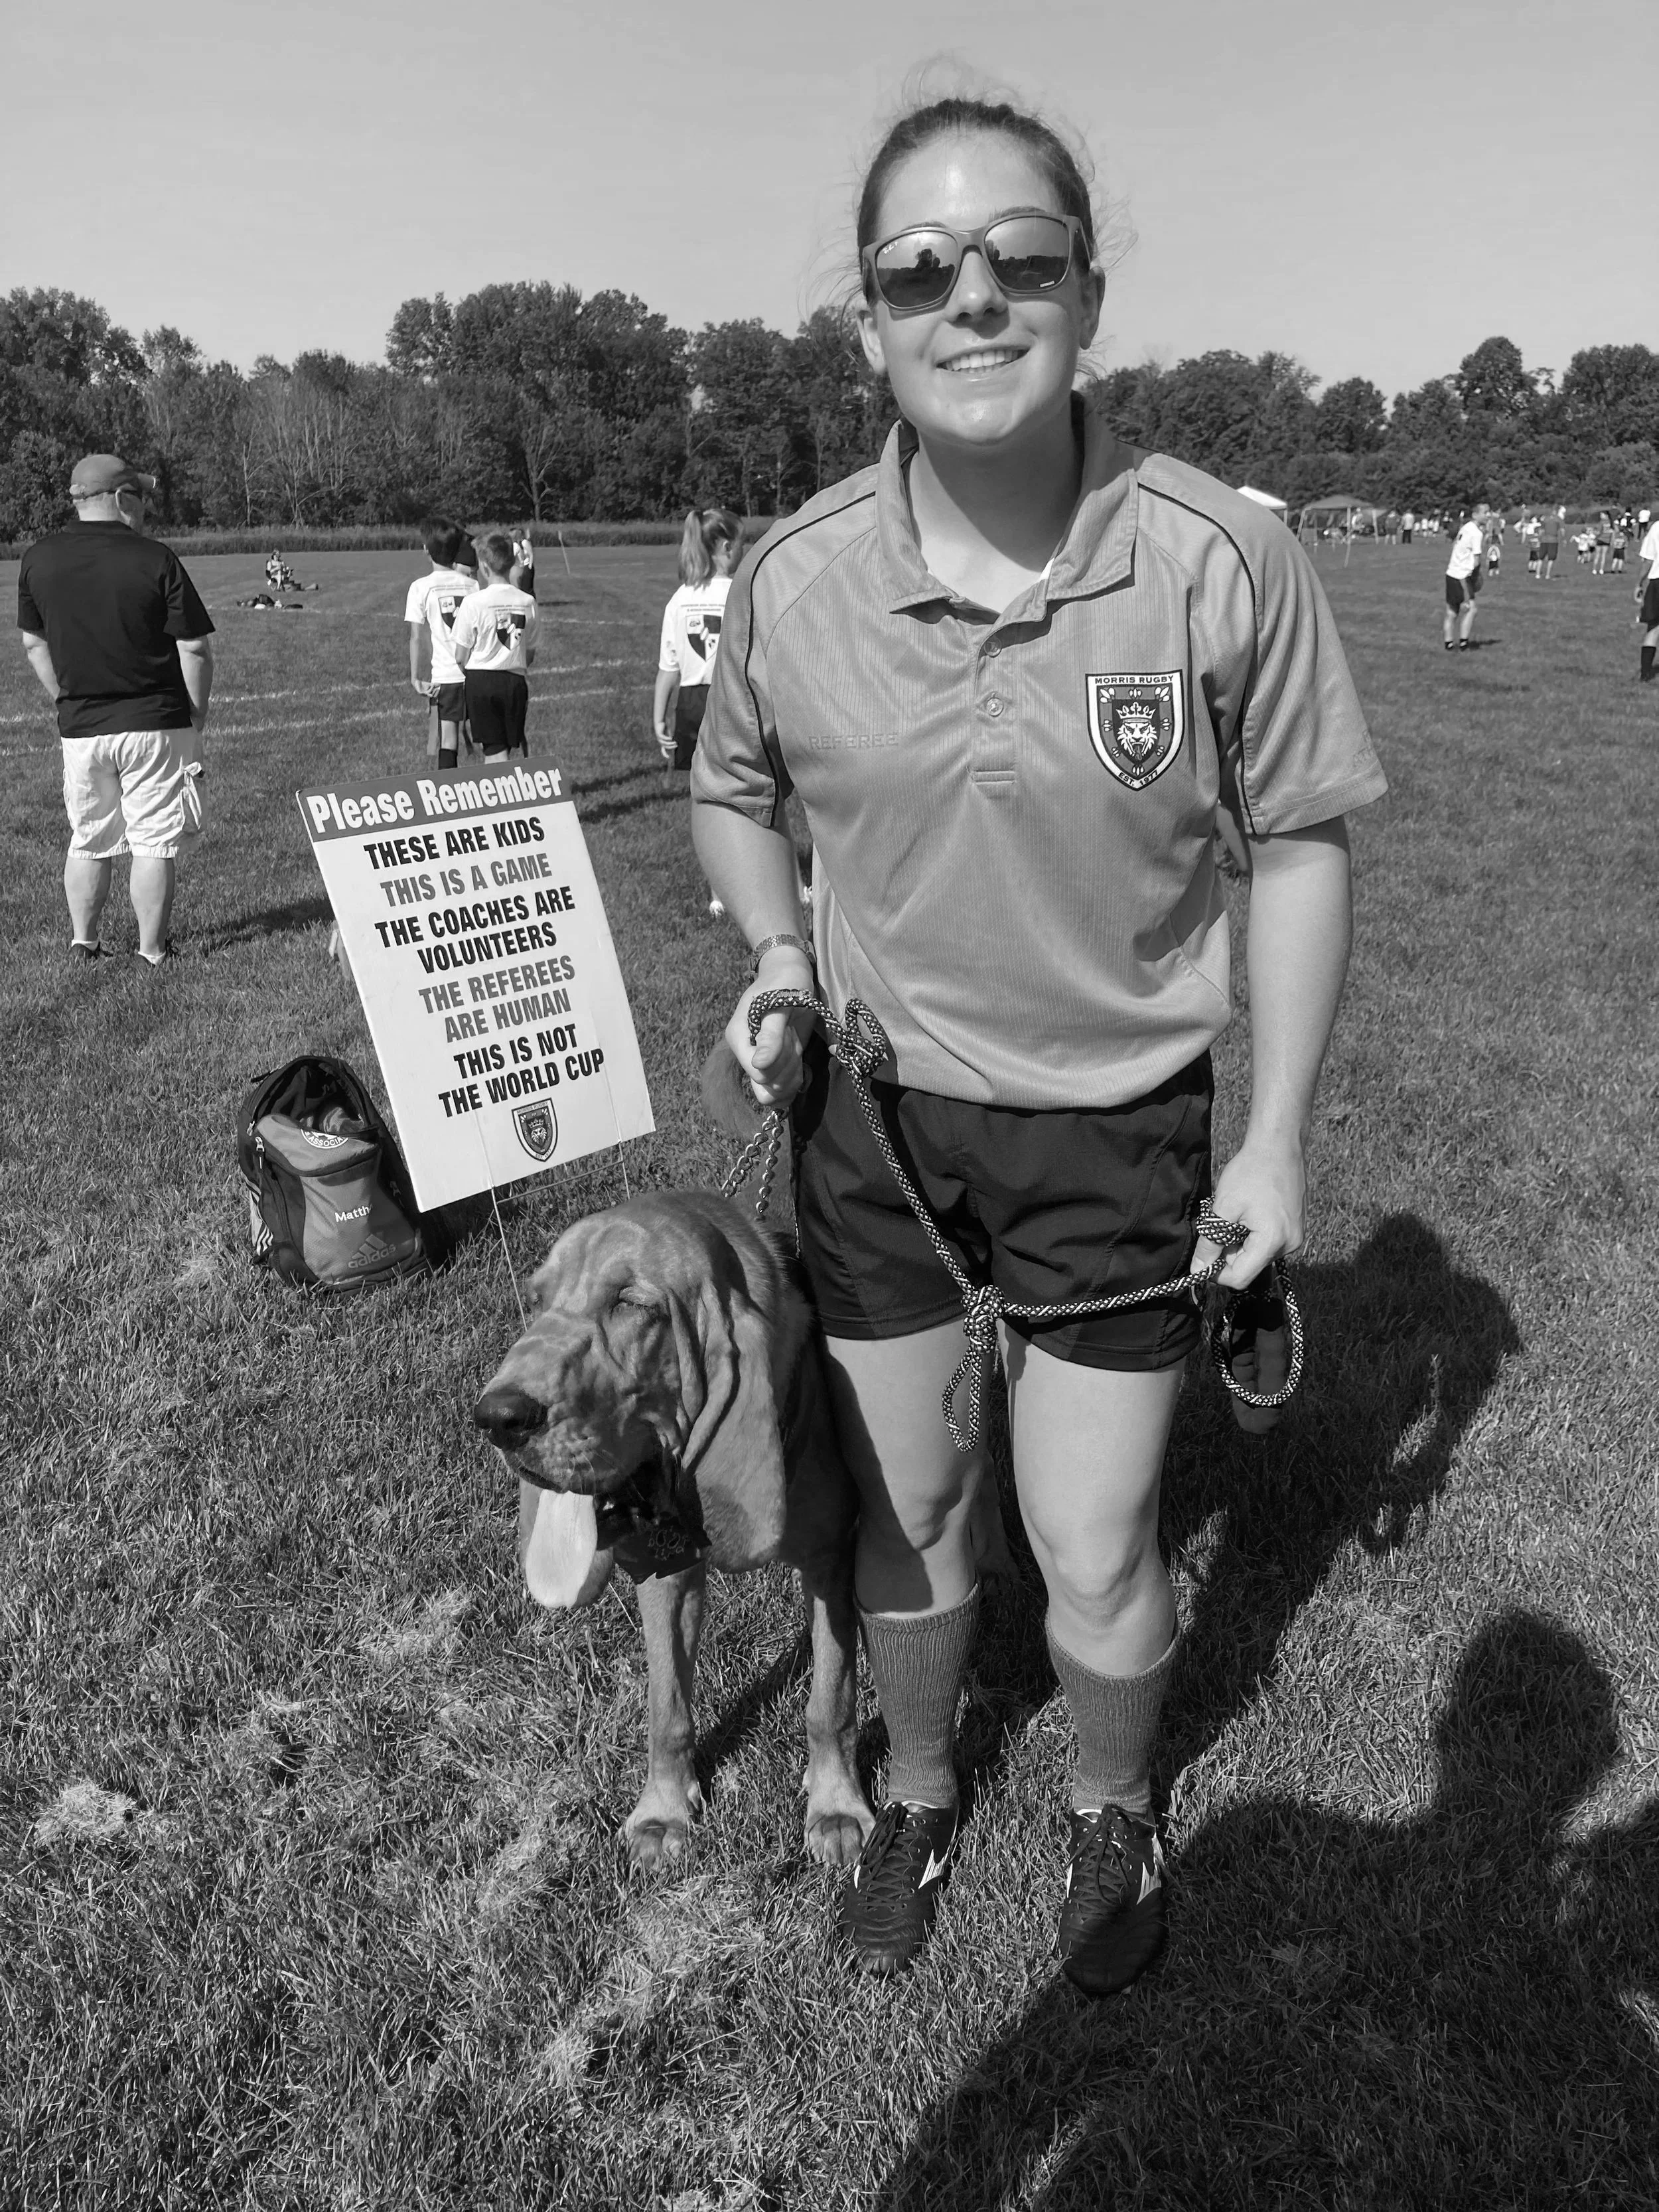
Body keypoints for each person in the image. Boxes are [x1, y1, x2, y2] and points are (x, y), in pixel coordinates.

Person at [691, 92, 1386, 1998]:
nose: (970, 297)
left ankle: (1104, 1794)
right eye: (919, 269)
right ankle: (915, 1777)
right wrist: (771, 946)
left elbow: (1305, 833)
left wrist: (1277, 1141)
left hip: (1115, 1128)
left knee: (1089, 1534)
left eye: (1021, 258)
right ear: (865, 320)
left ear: (1090, 285)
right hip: (876, 1126)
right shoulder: (794, 574)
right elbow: (733, 787)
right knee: (910, 1501)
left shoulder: (1213, 553)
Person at [16, 453, 214, 966]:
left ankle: (85, 941)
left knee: (89, 839)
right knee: (153, 841)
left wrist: (66, 697)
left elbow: (34, 643)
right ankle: (151, 950)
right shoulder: (156, 558)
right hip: (154, 723)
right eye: (140, 496)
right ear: (122, 498)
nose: (145, 506)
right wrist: (196, 713)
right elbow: (193, 648)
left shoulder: (38, 558)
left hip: (82, 727)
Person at [654, 508, 742, 771]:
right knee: (739, 785)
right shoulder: (741, 593)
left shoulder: (680, 599)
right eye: (742, 544)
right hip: (732, 702)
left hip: (689, 705)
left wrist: (659, 718)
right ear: (727, 547)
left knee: (700, 787)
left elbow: (668, 669)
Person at [451, 532, 538, 758]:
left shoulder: (473, 602)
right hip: (514, 681)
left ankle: (500, 791)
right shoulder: (528, 602)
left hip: (481, 681)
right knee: (503, 748)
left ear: (484, 567)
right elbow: (529, 653)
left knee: (495, 751)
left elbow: (461, 656)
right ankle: (505, 788)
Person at [404, 518, 477, 770]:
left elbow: (416, 636)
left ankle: (451, 798)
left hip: (446, 677)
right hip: (475, 672)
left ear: (426, 549)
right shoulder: (473, 585)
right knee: (491, 738)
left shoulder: (420, 587)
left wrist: (415, 678)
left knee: (448, 741)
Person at [1443, 504, 1488, 649]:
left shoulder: (1466, 527)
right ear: (1475, 515)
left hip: (1451, 573)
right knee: (1472, 609)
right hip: (1462, 575)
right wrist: (1475, 578)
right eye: (1485, 513)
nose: (1488, 515)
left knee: (1452, 612)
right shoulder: (1477, 533)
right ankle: (1464, 644)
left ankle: (1449, 644)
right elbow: (1476, 560)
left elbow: (1455, 546)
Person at [1636, 510, 1659, 683]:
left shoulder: (1657, 528)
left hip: (1657, 581)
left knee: (1654, 627)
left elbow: (1649, 560)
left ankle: (1645, 674)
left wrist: (1639, 583)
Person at [510, 525, 537, 600]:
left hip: (528, 565)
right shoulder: (521, 543)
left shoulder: (525, 542)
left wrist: (530, 565)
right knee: (524, 586)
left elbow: (531, 554)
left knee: (528, 586)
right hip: (525, 565)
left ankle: (533, 600)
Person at [1539, 505, 1561, 582]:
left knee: (1541, 558)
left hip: (1544, 540)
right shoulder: (1558, 520)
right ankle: (1547, 575)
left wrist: (1540, 538)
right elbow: (1561, 530)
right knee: (1551, 559)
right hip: (1553, 541)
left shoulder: (1545, 519)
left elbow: (1541, 530)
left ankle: (1538, 574)